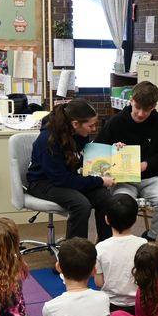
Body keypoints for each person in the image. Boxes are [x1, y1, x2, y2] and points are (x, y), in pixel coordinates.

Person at [95, 80, 158, 242]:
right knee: (119, 205)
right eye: (137, 107)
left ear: (154, 106)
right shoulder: (116, 122)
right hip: (124, 180)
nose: (140, 114)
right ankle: (122, 239)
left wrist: (147, 164)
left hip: (152, 178)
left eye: (146, 110)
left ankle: (150, 236)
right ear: (131, 100)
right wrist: (113, 149)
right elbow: (98, 150)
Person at [26, 98, 114, 241]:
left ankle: (105, 246)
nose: (94, 129)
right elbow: (62, 180)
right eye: (91, 125)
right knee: (81, 205)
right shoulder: (48, 140)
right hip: (43, 182)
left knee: (105, 199)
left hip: (67, 177)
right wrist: (99, 181)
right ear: (75, 124)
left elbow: (85, 158)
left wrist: (114, 150)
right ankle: (75, 251)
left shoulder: (79, 134)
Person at [94, 193, 146, 314]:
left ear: (107, 220)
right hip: (139, 304)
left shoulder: (100, 248)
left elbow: (99, 282)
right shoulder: (143, 244)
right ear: (136, 219)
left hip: (111, 305)